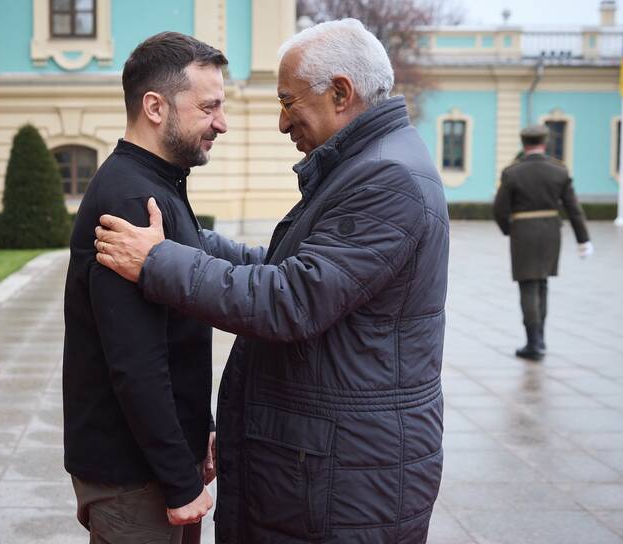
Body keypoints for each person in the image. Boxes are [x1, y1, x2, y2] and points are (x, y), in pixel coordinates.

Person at [94, 19, 448, 544]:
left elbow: (290, 299)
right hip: (333, 467)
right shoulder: (372, 162)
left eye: (288, 101)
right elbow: (287, 266)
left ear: (341, 93)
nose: (283, 123)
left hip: (344, 480)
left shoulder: (386, 178)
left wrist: (158, 261)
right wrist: (192, 240)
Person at [62, 32, 227, 544]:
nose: (221, 123)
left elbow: (177, 334)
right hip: (134, 474)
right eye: (209, 107)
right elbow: (135, 362)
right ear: (155, 107)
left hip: (157, 460)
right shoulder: (133, 199)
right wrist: (179, 481)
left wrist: (201, 428)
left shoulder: (158, 183)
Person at [494, 125, 592, 361]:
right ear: (544, 143)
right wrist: (583, 240)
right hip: (550, 232)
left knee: (528, 286)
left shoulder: (512, 172)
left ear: (524, 144)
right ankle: (541, 338)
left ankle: (533, 342)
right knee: (543, 285)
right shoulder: (559, 171)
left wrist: (510, 229)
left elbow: (499, 209)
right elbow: (573, 209)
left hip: (523, 232)